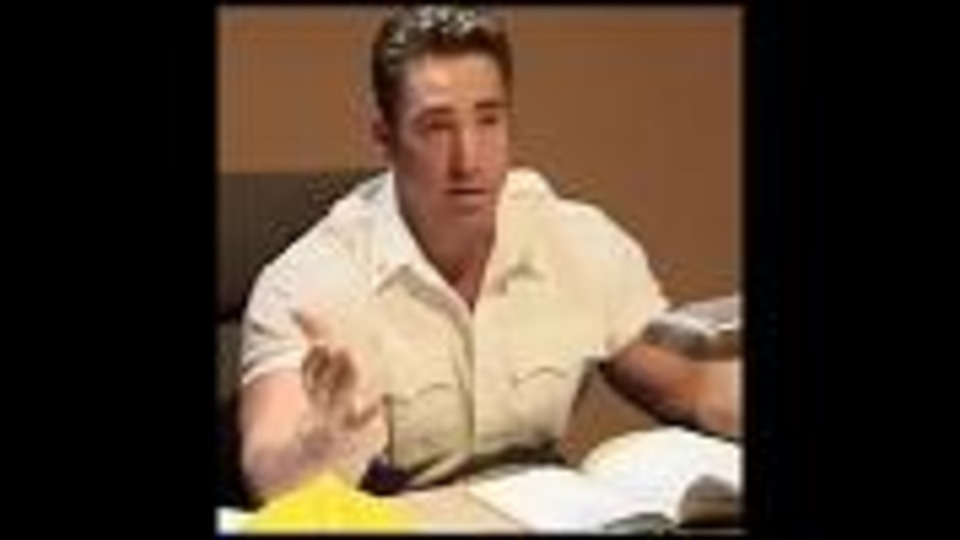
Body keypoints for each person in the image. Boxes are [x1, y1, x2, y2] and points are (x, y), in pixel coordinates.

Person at [236, 5, 741, 503]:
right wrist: (319, 446)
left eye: (488, 120)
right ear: (385, 140)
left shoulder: (578, 242)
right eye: (437, 127)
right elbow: (270, 473)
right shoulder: (312, 280)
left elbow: (696, 386)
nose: (469, 158)